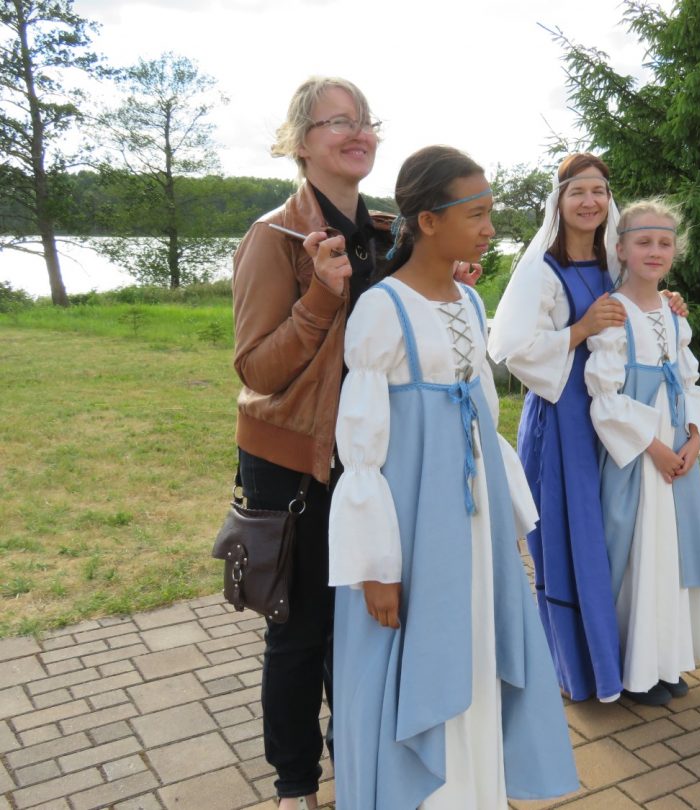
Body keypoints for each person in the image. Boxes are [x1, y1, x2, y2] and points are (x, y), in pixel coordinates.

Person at [328, 145, 578, 810]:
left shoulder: (469, 301)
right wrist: (375, 565)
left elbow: (485, 421)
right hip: (415, 526)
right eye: (477, 214)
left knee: (478, 640)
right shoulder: (382, 309)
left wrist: (505, 516)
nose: (490, 229)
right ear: (429, 222)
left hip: (473, 518)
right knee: (422, 646)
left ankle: (475, 791)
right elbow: (361, 449)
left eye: (490, 213)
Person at [231, 76, 386, 810]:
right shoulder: (274, 238)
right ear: (301, 143)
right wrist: (322, 296)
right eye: (337, 122)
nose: (358, 133)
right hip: (294, 463)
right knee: (299, 635)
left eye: (365, 120)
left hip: (368, 462)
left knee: (358, 627)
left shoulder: (385, 237)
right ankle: (295, 784)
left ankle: (355, 758)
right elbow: (257, 369)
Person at [488, 154, 686, 703]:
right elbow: (513, 349)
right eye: (578, 191)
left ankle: (638, 660)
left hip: (618, 414)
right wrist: (579, 329)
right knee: (574, 540)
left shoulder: (613, 262)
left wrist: (665, 303)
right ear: (559, 200)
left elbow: (639, 300)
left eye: (599, 190)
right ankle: (587, 669)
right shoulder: (542, 269)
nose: (590, 201)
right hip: (564, 421)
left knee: (620, 538)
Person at [585, 198, 700, 706]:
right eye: (644, 241)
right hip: (640, 458)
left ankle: (667, 660)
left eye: (665, 243)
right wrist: (653, 447)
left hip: (676, 452)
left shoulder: (673, 315)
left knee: (674, 554)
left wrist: (692, 438)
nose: (655, 251)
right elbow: (605, 397)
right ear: (621, 249)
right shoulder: (613, 314)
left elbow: (688, 381)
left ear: (676, 251)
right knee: (640, 556)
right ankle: (637, 668)